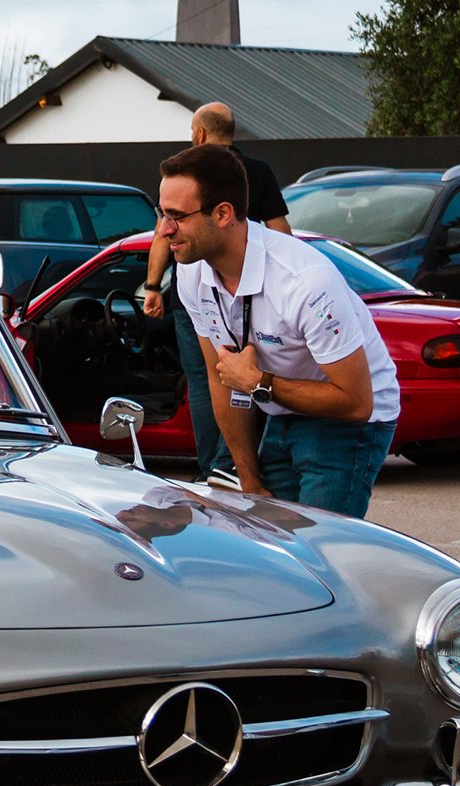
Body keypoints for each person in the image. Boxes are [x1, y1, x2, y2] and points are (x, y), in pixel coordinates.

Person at [159, 144, 400, 518]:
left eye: (176, 216)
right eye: (162, 214)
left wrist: (258, 382)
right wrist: (248, 479)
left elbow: (356, 401)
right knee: (271, 539)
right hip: (281, 403)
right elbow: (222, 378)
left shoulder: (304, 281)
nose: (163, 230)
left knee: (321, 550)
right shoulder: (192, 270)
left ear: (223, 214)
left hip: (351, 417)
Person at [142, 101, 291, 488]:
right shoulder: (256, 172)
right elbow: (280, 231)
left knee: (207, 379)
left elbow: (163, 234)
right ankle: (242, 462)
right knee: (247, 373)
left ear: (200, 134)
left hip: (200, 298)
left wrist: (154, 286)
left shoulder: (186, 173)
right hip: (250, 294)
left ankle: (214, 466)